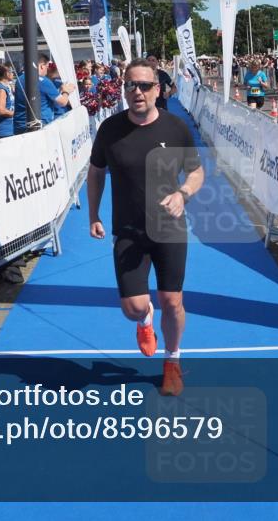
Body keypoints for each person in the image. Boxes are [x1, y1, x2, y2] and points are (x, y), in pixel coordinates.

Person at [87, 58, 204, 397]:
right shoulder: (109, 129)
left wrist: (183, 194)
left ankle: (172, 362)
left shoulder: (175, 128)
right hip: (127, 230)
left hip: (169, 228)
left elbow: (196, 172)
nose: (136, 92)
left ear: (158, 89)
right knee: (134, 308)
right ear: (123, 89)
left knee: (173, 300)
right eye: (130, 85)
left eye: (144, 85)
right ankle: (145, 319)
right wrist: (93, 214)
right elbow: (96, 172)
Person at [13, 54, 77, 132]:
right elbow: (63, 102)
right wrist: (66, 91)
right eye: (47, 67)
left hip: (19, 125)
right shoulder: (44, 81)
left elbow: (41, 96)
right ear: (42, 66)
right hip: (39, 127)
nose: (47, 70)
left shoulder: (19, 79)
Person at [0, 64, 16, 139]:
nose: (13, 74)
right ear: (6, 73)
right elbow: (1, 110)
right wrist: (16, 114)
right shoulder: (1, 89)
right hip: (4, 130)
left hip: (9, 128)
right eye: (11, 71)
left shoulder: (6, 86)